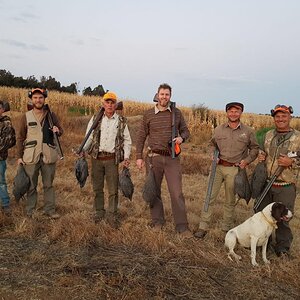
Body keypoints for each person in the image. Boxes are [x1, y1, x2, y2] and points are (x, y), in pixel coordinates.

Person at [194, 102, 259, 238]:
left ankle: (226, 228)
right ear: (227, 113)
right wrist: (212, 154)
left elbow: (254, 149)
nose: (233, 114)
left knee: (230, 200)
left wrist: (246, 161)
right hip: (217, 168)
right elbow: (211, 144)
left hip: (234, 169)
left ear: (241, 113)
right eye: (231, 111)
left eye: (237, 111)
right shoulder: (219, 129)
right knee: (209, 197)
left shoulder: (248, 131)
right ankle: (203, 226)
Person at [136, 83, 191, 237]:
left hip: (172, 159)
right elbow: (141, 137)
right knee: (154, 191)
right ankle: (157, 221)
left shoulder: (176, 113)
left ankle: (182, 226)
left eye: (167, 94)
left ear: (170, 96)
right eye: (162, 94)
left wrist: (181, 138)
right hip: (153, 158)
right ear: (157, 95)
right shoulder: (148, 114)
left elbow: (186, 131)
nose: (164, 97)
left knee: (177, 192)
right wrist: (139, 157)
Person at [256, 104, 300, 257]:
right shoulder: (268, 135)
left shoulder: (298, 137)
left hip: (286, 185)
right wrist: (261, 155)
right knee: (262, 215)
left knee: (283, 219)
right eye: (277, 116)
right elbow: (262, 150)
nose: (280, 119)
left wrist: (292, 162)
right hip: (267, 184)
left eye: (284, 116)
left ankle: (282, 248)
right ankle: (263, 243)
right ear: (274, 118)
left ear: (290, 117)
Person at [83, 92, 132, 225]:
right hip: (96, 158)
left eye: (112, 102)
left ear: (116, 105)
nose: (110, 105)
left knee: (113, 189)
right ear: (103, 104)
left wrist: (126, 157)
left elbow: (127, 141)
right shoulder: (95, 118)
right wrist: (82, 150)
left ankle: (112, 215)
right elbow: (89, 136)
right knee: (97, 188)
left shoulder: (121, 121)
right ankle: (99, 212)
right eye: (107, 102)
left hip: (111, 159)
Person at [16, 88, 63, 219]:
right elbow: (20, 138)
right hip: (31, 156)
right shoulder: (25, 116)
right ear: (32, 99)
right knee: (31, 185)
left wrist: (57, 130)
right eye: (35, 98)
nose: (38, 100)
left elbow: (61, 132)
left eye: (40, 97)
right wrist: (19, 157)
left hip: (48, 155)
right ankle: (30, 211)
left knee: (48, 185)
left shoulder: (51, 115)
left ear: (44, 99)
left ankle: (50, 210)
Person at [0, 100, 16, 214]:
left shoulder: (6, 123)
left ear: (2, 110)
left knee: (1, 182)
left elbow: (6, 142)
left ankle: (5, 204)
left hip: (0, 158)